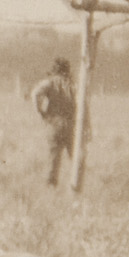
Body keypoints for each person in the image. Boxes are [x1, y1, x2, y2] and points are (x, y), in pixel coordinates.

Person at [30, 57, 77, 187]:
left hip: (54, 124)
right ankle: (76, 185)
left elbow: (35, 93)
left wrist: (40, 112)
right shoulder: (73, 85)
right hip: (72, 125)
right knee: (75, 157)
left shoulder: (50, 83)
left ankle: (51, 186)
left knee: (54, 158)